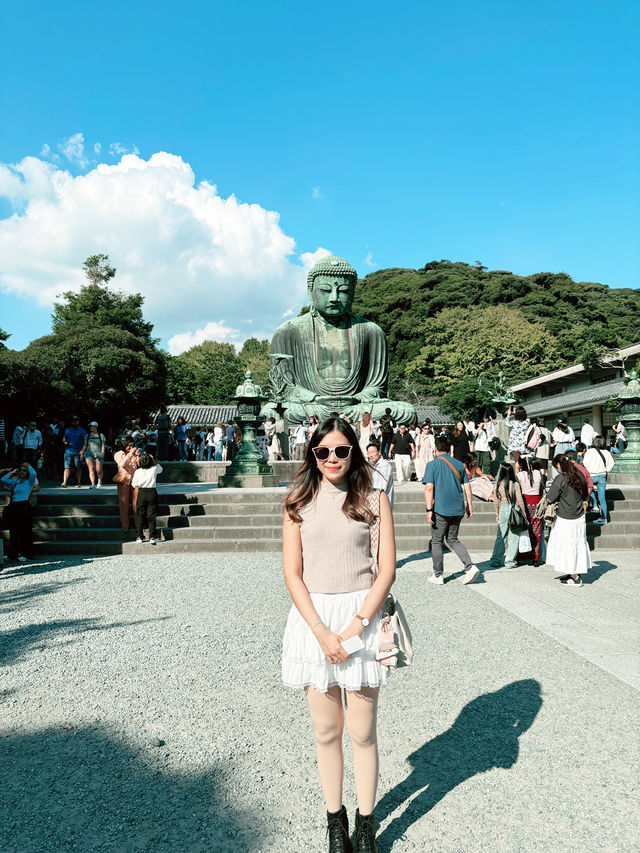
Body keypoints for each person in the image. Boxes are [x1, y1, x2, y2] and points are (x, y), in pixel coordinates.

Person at [281, 416, 396, 852]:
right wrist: (321, 631)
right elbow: (292, 574)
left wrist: (355, 626)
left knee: (363, 732)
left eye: (341, 450)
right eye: (324, 451)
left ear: (354, 452)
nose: (332, 459)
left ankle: (366, 824)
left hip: (360, 617)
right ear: (312, 453)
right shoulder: (297, 500)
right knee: (326, 731)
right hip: (314, 620)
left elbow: (386, 569)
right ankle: (335, 822)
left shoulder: (373, 497)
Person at [423, 435, 480, 586]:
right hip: (458, 508)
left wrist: (429, 509)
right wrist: (469, 505)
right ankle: (470, 566)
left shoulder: (432, 465)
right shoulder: (460, 465)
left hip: (440, 509)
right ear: (449, 449)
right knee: (453, 539)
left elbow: (429, 488)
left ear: (435, 449)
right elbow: (467, 485)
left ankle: (438, 575)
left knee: (436, 541)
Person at [546, 454, 592, 587]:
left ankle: (575, 577)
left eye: (556, 466)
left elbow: (550, 497)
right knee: (576, 544)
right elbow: (586, 493)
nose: (557, 469)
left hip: (565, 517)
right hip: (579, 515)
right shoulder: (579, 475)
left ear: (559, 465)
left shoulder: (561, 478)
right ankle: (572, 571)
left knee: (566, 546)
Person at [489, 462, 528, 569]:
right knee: (514, 537)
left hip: (503, 509)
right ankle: (510, 561)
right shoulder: (515, 484)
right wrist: (524, 512)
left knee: (501, 536)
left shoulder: (497, 485)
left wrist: (497, 513)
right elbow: (520, 500)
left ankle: (496, 559)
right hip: (514, 508)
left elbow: (496, 501)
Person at [0, 462, 37, 562]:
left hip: (24, 506)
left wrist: (28, 465)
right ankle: (12, 554)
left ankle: (27, 554)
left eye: (24, 471)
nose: (22, 472)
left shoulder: (29, 481)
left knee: (25, 531)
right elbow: (3, 480)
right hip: (14, 506)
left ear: (27, 473)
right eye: (20, 470)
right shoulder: (16, 482)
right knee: (14, 531)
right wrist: (12, 472)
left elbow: (34, 474)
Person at [516, 456, 545, 566]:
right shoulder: (538, 473)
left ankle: (521, 555)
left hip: (525, 503)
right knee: (537, 531)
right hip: (537, 503)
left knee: (523, 530)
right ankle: (536, 557)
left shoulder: (519, 475)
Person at [131, 453, 163, 544]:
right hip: (152, 492)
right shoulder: (154, 469)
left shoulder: (138, 471)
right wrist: (153, 459)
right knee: (151, 515)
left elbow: (134, 484)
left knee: (140, 515)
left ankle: (139, 536)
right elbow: (161, 469)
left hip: (142, 493)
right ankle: (153, 536)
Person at [583, 436, 615, 525]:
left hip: (591, 475)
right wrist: (606, 469)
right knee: (602, 497)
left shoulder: (589, 451)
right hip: (602, 475)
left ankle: (595, 506)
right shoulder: (607, 452)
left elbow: (585, 463)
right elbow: (612, 463)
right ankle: (604, 518)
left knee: (590, 490)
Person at [113, 436, 137, 533]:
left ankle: (138, 524)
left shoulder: (135, 453)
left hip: (135, 481)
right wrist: (130, 455)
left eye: (132, 445)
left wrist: (139, 456)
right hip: (123, 481)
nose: (131, 447)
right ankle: (125, 525)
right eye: (128, 446)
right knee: (124, 504)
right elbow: (122, 464)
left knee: (136, 504)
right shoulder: (118, 454)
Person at [366, 442, 394, 509]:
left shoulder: (384, 466)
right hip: (376, 503)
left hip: (382, 505)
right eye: (368, 453)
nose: (371, 455)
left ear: (379, 452)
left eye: (372, 452)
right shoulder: (375, 466)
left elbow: (381, 488)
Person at [61, 416, 87, 488]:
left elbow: (85, 441)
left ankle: (78, 483)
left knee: (78, 468)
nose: (75, 422)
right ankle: (64, 482)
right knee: (67, 468)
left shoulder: (82, 431)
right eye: (73, 421)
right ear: (71, 422)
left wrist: (82, 451)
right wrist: (65, 442)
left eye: (76, 421)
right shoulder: (68, 430)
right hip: (68, 451)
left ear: (78, 422)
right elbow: (63, 439)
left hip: (78, 452)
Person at [81, 422, 106, 488]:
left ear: (96, 427)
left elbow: (103, 445)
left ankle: (100, 481)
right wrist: (82, 452)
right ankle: (93, 484)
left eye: (92, 426)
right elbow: (85, 445)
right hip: (89, 453)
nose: (91, 427)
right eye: (90, 426)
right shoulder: (87, 435)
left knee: (99, 470)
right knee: (91, 469)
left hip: (98, 453)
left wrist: (103, 452)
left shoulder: (101, 435)